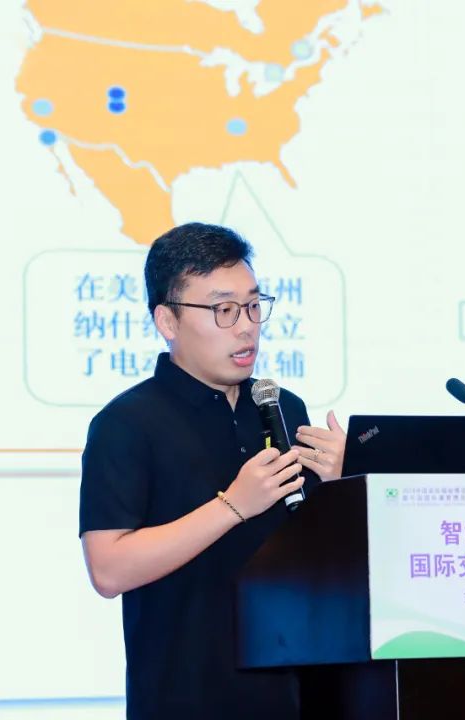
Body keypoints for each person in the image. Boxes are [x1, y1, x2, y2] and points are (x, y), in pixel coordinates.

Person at [79, 222, 347, 719]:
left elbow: (315, 555)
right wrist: (233, 506)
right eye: (224, 310)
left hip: (292, 692)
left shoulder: (282, 407)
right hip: (184, 697)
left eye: (253, 305)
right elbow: (108, 570)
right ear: (168, 320)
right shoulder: (127, 423)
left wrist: (341, 486)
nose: (246, 327)